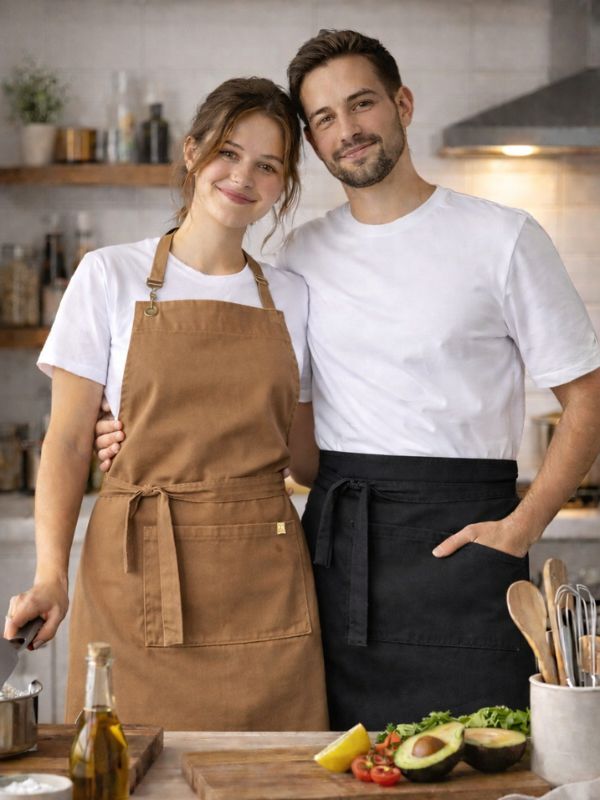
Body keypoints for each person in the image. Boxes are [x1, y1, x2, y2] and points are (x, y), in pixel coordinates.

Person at [98, 30, 600, 731]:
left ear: (402, 104)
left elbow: (588, 399)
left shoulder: (504, 237)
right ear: (312, 141)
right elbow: (290, 438)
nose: (347, 130)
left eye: (361, 104)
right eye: (324, 119)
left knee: (486, 757)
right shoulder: (299, 259)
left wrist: (525, 525)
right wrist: (141, 434)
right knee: (340, 765)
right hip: (337, 550)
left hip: (465, 542)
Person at [3, 77, 329, 732]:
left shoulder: (294, 296)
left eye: (268, 165)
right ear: (191, 152)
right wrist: (50, 575)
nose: (244, 177)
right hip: (133, 576)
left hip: (262, 580)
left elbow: (304, 457)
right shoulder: (108, 275)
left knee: (278, 775)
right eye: (228, 153)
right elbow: (66, 443)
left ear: (284, 184)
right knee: (126, 767)